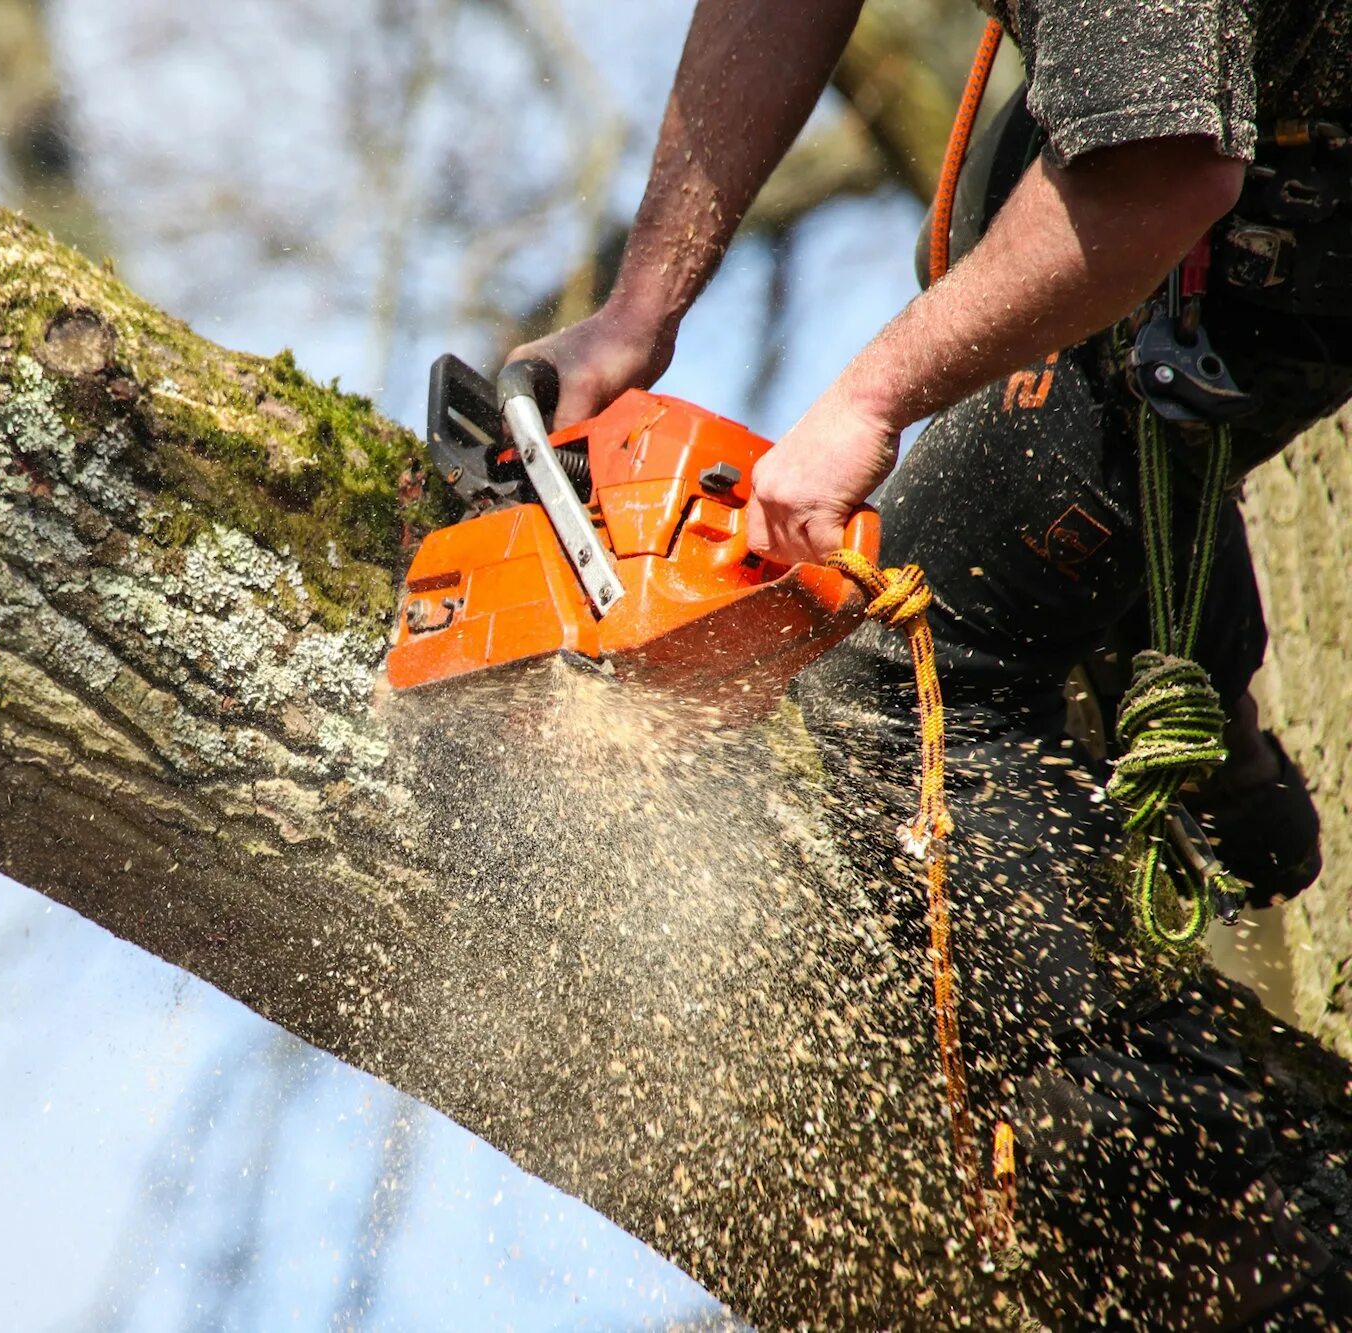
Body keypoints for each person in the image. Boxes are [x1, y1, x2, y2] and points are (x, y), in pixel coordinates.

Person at [510, 2, 1352, 1327]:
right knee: (976, 238)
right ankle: (1213, 751)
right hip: (1237, 112)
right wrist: (641, 306)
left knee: (910, 671)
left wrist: (867, 401)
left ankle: (1217, 1209)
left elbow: (1164, 169)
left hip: (1299, 173)